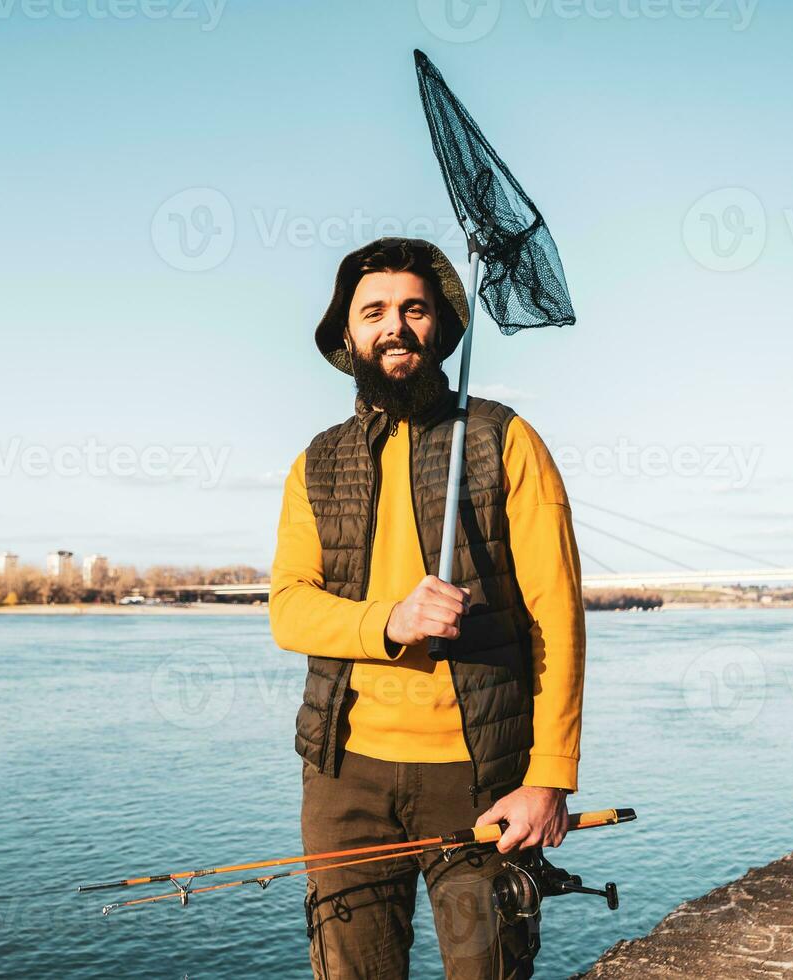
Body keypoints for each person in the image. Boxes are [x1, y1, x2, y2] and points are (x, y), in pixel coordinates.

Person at [269, 237, 586, 979]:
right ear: (346, 335)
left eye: (414, 309)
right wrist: (389, 620)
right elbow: (288, 609)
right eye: (373, 311)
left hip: (482, 777)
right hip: (343, 777)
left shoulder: (504, 441)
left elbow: (557, 620)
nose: (395, 326)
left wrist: (550, 777)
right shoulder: (316, 463)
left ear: (441, 327)